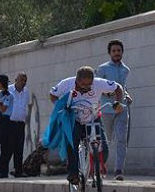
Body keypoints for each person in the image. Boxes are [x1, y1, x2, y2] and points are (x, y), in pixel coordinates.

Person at [49, 66, 124, 184]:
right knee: (72, 143)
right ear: (77, 80)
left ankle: (96, 169)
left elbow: (118, 88)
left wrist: (117, 102)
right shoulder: (67, 84)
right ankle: (73, 174)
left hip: (93, 118)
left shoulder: (99, 83)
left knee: (104, 148)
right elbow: (52, 94)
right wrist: (60, 105)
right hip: (75, 120)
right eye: (83, 85)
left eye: (89, 85)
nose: (86, 88)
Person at [96, 40, 132, 181]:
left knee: (122, 140)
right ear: (109, 53)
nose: (116, 53)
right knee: (106, 141)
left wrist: (127, 96)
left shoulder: (125, 69)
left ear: (122, 52)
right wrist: (109, 94)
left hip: (121, 109)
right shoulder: (102, 69)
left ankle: (118, 171)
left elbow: (123, 87)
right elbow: (97, 87)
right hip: (106, 109)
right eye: (114, 51)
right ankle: (100, 167)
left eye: (119, 51)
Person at [7, 72, 30, 177]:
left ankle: (18, 171)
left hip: (20, 123)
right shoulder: (8, 90)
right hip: (9, 123)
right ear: (16, 80)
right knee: (8, 148)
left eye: (25, 80)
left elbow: (25, 106)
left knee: (19, 148)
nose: (23, 82)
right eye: (21, 80)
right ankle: (2, 170)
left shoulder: (26, 92)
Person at [0, 75, 17, 178]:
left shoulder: (8, 95)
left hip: (5, 121)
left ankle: (2, 170)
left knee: (5, 147)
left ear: (0, 83)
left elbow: (3, 109)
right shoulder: (1, 94)